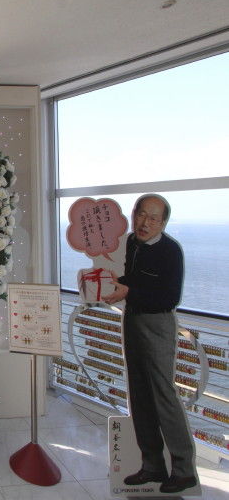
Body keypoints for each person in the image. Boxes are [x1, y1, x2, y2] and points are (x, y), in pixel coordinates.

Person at [103, 193, 197, 494]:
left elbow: (170, 298)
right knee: (139, 396)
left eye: (153, 218)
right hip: (132, 320)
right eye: (141, 214)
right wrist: (114, 283)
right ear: (133, 215)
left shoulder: (171, 250)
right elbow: (135, 280)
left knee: (164, 397)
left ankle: (184, 471)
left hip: (158, 325)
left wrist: (129, 291)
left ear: (163, 222)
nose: (145, 222)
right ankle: (152, 465)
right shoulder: (133, 242)